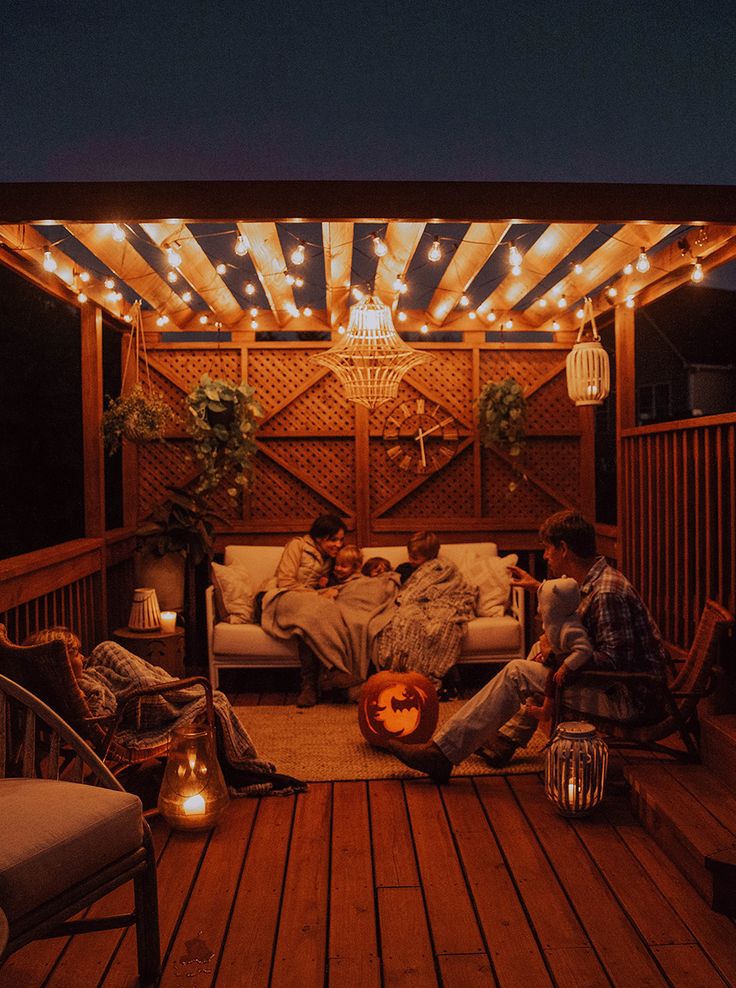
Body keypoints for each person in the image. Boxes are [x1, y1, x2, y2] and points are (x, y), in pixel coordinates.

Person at [384, 509, 670, 783]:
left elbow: (615, 662)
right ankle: (503, 739)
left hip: (628, 700)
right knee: (536, 650)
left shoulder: (607, 592)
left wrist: (557, 656)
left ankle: (441, 754)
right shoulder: (593, 580)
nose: (545, 555)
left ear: (563, 548)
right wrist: (538, 590)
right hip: (618, 688)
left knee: (518, 671)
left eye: (547, 549)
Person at [23, 626, 306, 796]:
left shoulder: (52, 687)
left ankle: (172, 685)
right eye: (75, 654)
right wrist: (89, 690)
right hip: (136, 711)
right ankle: (182, 689)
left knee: (108, 650)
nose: (82, 657)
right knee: (212, 698)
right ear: (60, 662)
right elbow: (108, 714)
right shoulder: (82, 694)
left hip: (124, 690)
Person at [523, 576, 593, 723]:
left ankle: (546, 710)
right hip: (559, 657)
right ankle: (527, 704)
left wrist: (565, 667)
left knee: (551, 679)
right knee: (535, 657)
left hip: (572, 670)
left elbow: (584, 650)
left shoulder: (571, 629)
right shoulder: (558, 622)